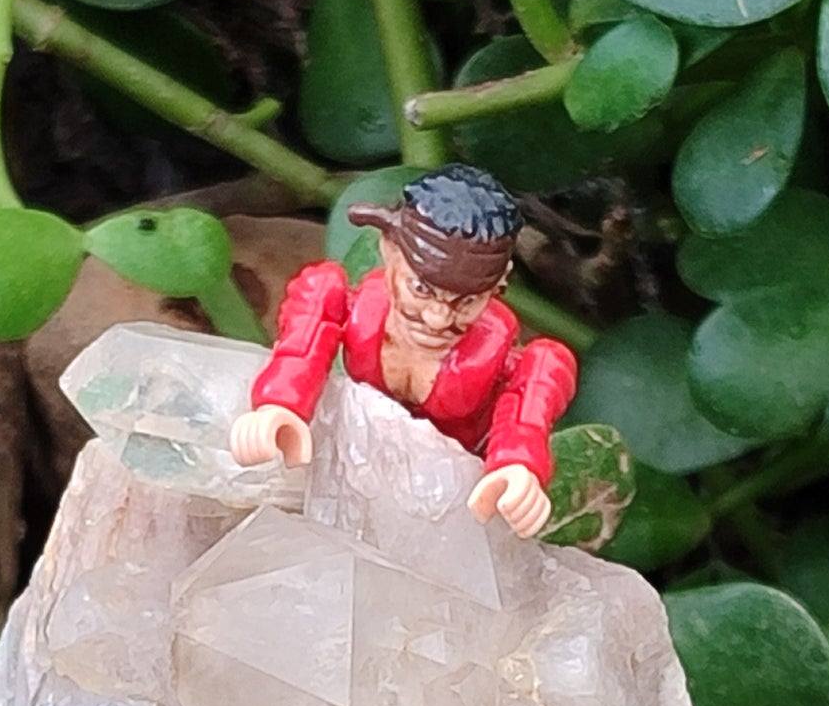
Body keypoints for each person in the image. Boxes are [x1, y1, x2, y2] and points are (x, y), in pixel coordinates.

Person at [231, 164, 577, 538]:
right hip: (357, 458)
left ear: (500, 281)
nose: (437, 318)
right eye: (422, 290)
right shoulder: (345, 301)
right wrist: (281, 405)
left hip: (454, 493)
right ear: (389, 251)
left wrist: (517, 464)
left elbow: (535, 386)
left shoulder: (503, 357)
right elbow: (305, 338)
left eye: (467, 302)